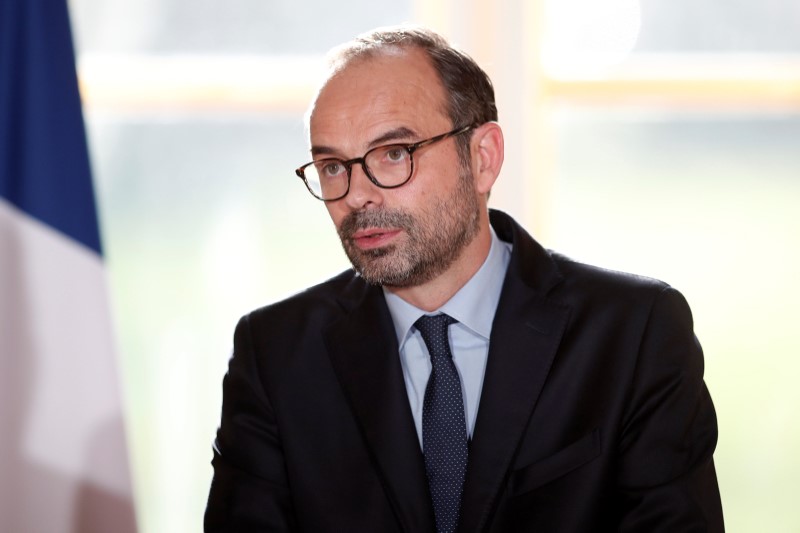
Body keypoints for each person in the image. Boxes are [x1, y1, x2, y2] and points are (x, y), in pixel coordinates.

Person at [204, 26, 724, 532]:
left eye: (394, 154)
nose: (356, 194)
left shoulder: (634, 335)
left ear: (483, 158)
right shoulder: (274, 355)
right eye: (333, 166)